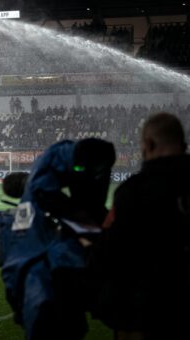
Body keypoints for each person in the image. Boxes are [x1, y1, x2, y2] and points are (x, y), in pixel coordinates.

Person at [1, 138, 115, 340]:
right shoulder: (46, 201)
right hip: (47, 299)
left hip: (43, 298)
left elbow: (14, 267)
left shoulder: (33, 210)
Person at [89, 112, 190, 339]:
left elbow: (108, 253)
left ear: (149, 144)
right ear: (184, 145)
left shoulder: (132, 191)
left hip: (146, 313)